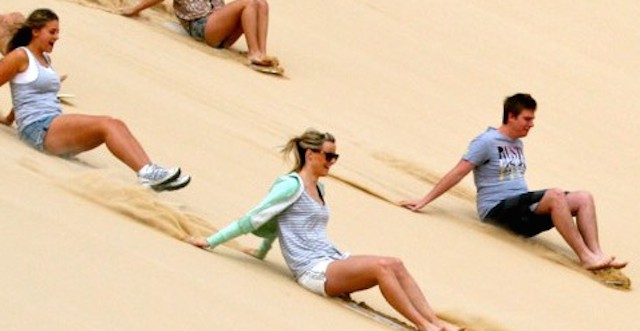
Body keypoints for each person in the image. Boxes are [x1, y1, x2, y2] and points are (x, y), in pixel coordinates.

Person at [188, 129, 464, 331]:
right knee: (382, 267)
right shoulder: (290, 185)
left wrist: (261, 251)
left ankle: (436, 322)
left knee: (395, 263)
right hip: (312, 270)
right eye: (329, 156)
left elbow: (277, 224)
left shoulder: (318, 187)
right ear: (311, 154)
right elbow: (254, 218)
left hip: (331, 258)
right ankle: (423, 326)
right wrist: (211, 241)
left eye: (335, 157)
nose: (332, 162)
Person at [401, 93, 627, 271]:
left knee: (583, 197)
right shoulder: (486, 141)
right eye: (527, 119)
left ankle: (596, 253)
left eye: (533, 119)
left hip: (520, 212)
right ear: (511, 116)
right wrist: (424, 200)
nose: (531, 124)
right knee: (556, 194)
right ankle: (586, 258)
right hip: (497, 211)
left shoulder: (517, 143)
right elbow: (458, 172)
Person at [0, 8, 190, 191]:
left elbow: (27, 94)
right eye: (52, 31)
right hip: (40, 128)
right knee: (108, 125)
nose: (57, 37)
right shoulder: (19, 56)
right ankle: (147, 172)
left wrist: (8, 119)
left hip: (49, 125)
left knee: (115, 124)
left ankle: (150, 170)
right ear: (35, 31)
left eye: (58, 32)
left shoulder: (44, 60)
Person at [120, 0, 278, 69]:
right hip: (202, 27)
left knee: (260, 3)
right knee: (248, 3)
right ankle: (253, 53)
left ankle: (261, 52)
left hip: (221, 30)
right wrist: (135, 10)